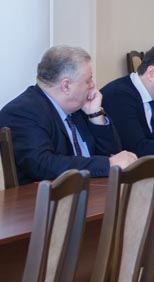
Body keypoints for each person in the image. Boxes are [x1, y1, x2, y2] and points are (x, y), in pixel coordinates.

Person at [0, 45, 136, 184]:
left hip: (92, 188)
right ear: (66, 86)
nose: (92, 85)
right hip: (48, 195)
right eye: (88, 80)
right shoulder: (23, 112)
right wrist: (108, 164)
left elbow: (113, 152)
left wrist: (95, 115)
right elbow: (43, 164)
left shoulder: (78, 106)